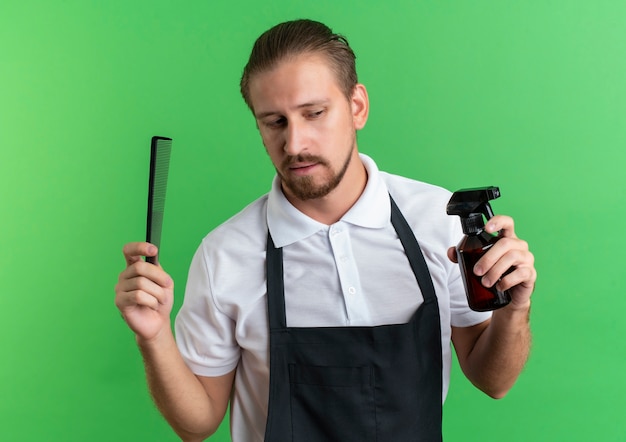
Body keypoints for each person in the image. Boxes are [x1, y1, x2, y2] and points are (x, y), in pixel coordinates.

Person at [115, 19, 536, 442]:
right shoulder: (225, 254)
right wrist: (154, 337)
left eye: (314, 113)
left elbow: (492, 379)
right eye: (274, 122)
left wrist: (513, 308)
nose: (295, 143)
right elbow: (198, 423)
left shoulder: (436, 218)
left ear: (357, 107)